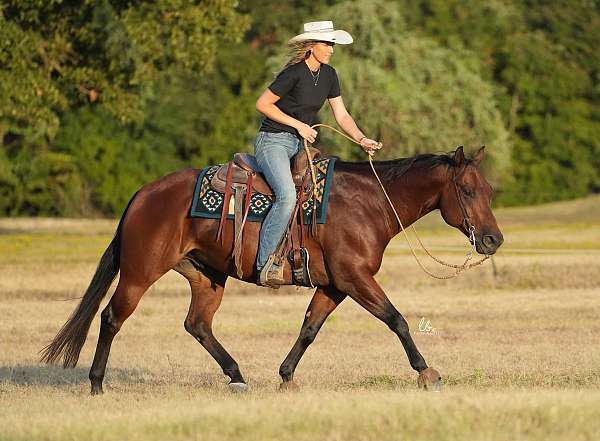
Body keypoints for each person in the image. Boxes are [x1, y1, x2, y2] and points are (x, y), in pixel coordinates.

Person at [254, 20, 382, 287]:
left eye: (332, 44)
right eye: (327, 44)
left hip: (300, 146)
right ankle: (264, 263)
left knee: (323, 194)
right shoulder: (294, 73)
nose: (331, 49)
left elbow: (342, 114)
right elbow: (262, 104)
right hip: (273, 142)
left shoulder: (329, 75)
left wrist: (361, 138)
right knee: (287, 196)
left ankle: (303, 256)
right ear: (311, 46)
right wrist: (299, 125)